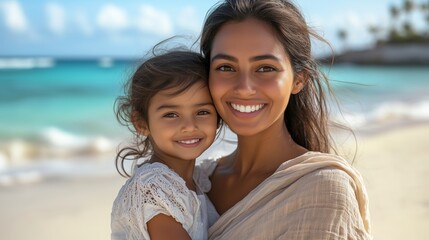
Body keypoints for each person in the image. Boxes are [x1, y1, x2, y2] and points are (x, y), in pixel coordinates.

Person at [198, 0, 372, 239]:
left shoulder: (323, 189)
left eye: (265, 68)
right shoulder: (195, 181)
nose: (244, 88)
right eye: (226, 67)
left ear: (299, 79)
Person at [111, 48, 220, 240]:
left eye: (202, 112)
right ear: (141, 123)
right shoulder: (153, 189)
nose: (189, 126)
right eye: (171, 114)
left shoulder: (197, 179)